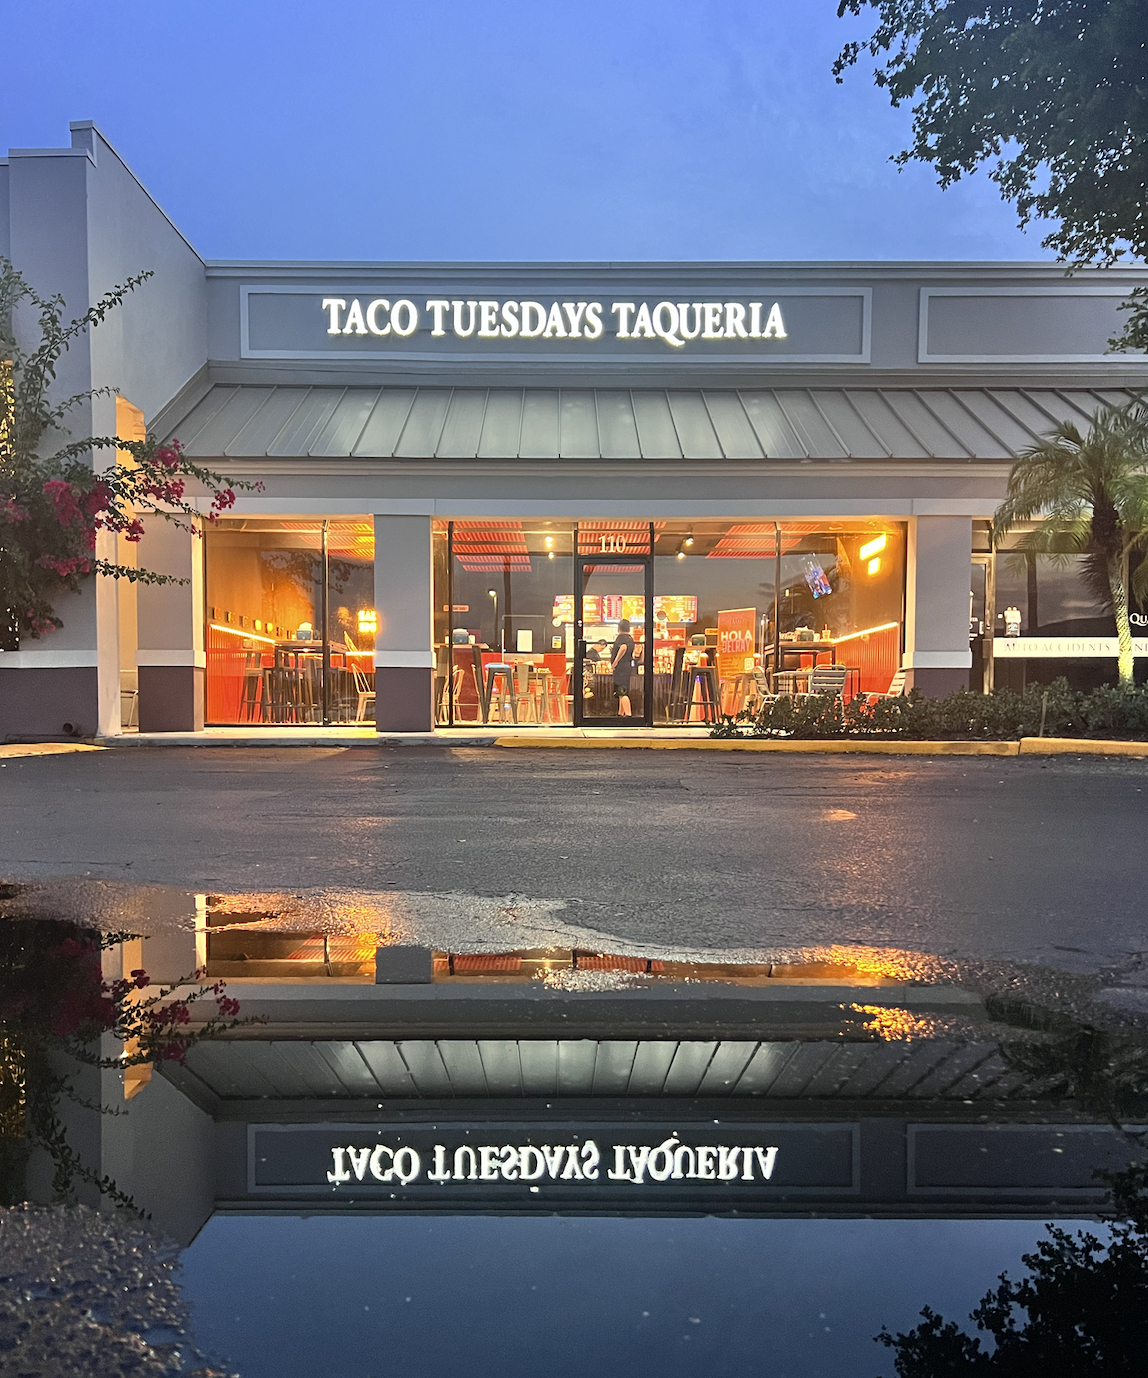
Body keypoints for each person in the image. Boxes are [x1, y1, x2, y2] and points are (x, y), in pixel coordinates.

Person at [611, 619, 636, 716]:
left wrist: (615, 662)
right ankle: (620, 714)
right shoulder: (630, 638)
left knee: (622, 692)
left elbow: (623, 648)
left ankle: (628, 715)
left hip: (621, 667)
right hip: (627, 667)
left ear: (619, 628)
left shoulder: (621, 638)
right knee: (621, 691)